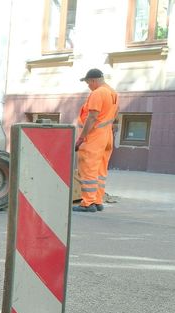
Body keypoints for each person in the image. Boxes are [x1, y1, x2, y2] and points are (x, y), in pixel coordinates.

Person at [73, 69, 118, 213]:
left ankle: (88, 203)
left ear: (93, 80)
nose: (88, 86)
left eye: (88, 83)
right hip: (107, 136)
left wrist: (81, 138)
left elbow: (92, 117)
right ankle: (98, 201)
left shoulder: (97, 93)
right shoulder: (112, 92)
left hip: (94, 137)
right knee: (100, 170)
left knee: (88, 169)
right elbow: (115, 115)